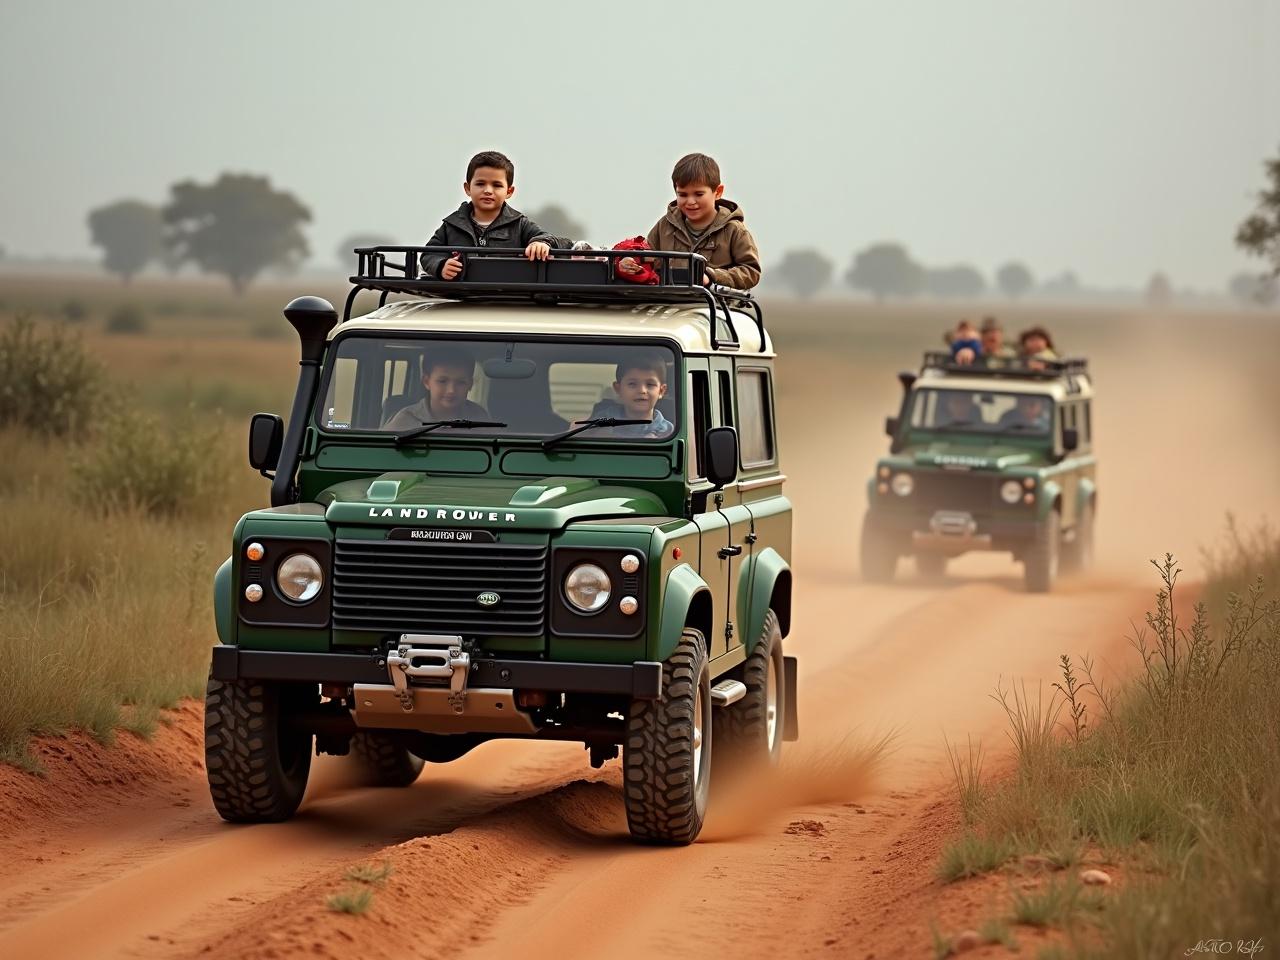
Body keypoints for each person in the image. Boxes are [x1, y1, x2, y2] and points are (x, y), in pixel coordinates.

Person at [420, 151, 569, 280]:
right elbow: (428, 255)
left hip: (507, 298)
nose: (488, 190)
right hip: (462, 300)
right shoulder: (451, 225)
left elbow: (546, 237)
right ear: (467, 188)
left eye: (497, 185)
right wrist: (441, 266)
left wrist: (540, 243)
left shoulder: (519, 223)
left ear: (509, 191)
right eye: (480, 184)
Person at [621, 153, 761, 289]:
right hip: (666, 303)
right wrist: (630, 263)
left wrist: (711, 276)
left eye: (698, 194)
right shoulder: (665, 225)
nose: (690, 201)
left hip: (713, 306)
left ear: (717, 192)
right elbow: (647, 257)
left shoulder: (734, 230)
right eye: (682, 194)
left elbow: (751, 272)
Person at [382, 346, 490, 430]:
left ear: (470, 384)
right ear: (426, 381)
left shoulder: (479, 416)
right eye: (442, 381)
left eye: (461, 382)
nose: (451, 390)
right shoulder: (406, 420)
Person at [583, 353, 675, 438]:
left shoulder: (667, 432)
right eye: (632, 384)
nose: (642, 390)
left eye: (650, 385)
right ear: (618, 389)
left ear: (661, 391)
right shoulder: (602, 420)